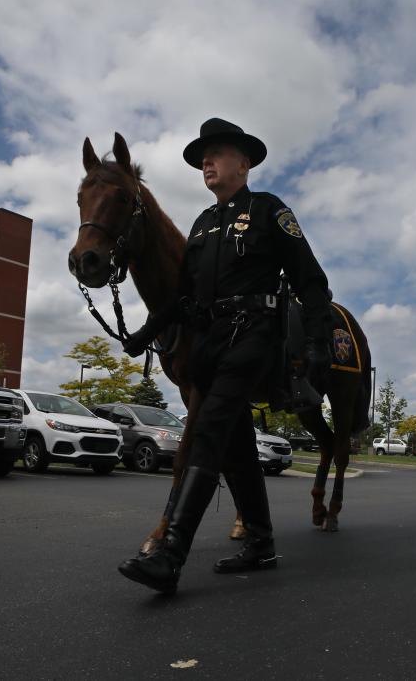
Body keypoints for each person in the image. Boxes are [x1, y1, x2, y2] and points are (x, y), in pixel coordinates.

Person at [116, 118, 333, 594]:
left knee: (208, 431)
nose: (207, 164)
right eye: (202, 158)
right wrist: (146, 332)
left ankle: (170, 554)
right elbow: (183, 294)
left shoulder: (268, 210)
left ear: (245, 161)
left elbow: (311, 281)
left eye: (216, 154)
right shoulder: (202, 224)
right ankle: (261, 542)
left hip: (255, 336)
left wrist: (316, 343)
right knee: (236, 450)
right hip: (211, 343)